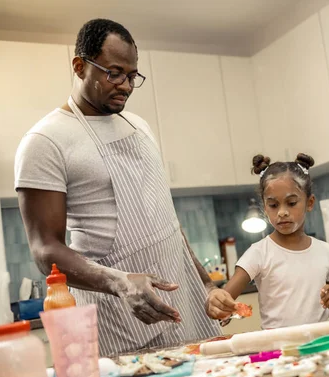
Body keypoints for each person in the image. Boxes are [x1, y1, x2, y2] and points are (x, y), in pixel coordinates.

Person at [15, 18, 226, 356]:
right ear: (80, 66)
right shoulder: (45, 141)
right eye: (114, 73)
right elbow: (45, 250)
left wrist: (205, 283)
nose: (126, 85)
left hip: (185, 304)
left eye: (132, 76)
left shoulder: (139, 125)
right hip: (119, 318)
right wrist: (121, 282)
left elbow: (166, 220)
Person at [207, 153, 329, 328]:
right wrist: (217, 304)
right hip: (278, 350)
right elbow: (222, 300)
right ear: (265, 208)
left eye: (291, 203)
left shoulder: (327, 252)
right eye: (273, 205)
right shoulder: (259, 253)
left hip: (321, 346)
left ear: (310, 203)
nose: (282, 212)